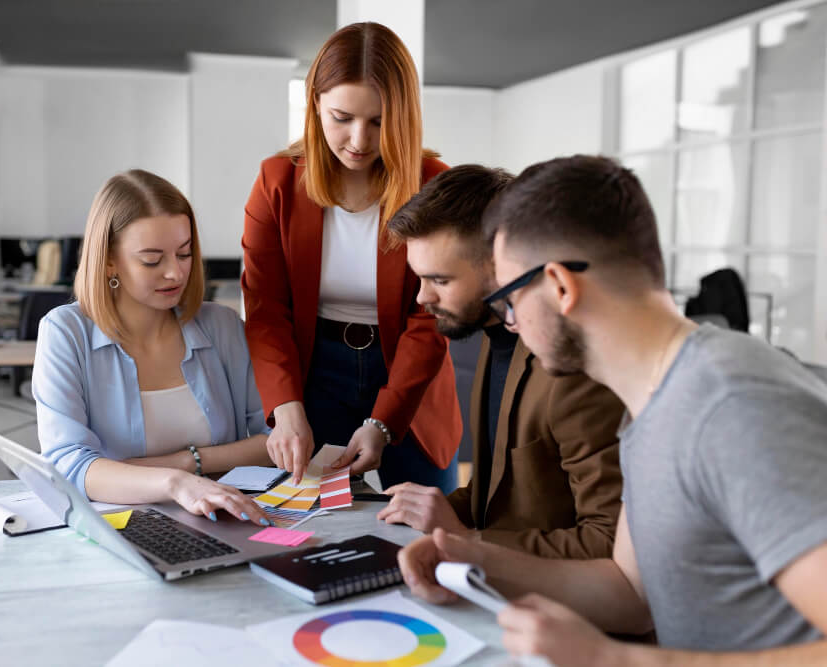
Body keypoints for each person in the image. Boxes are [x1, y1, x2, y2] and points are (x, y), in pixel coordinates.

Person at [398, 155, 827, 665]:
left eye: (510, 299)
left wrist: (612, 660)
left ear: (560, 287)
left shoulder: (733, 407)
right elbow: (629, 592)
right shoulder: (647, 404)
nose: (509, 322)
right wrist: (470, 556)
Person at [242, 22, 461, 491]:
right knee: (310, 538)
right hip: (311, 377)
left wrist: (384, 421)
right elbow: (265, 309)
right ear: (314, 104)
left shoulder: (434, 183)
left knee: (425, 534)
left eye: (379, 121)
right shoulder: (276, 182)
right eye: (342, 117)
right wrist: (285, 407)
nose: (359, 140)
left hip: (410, 385)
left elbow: (430, 317)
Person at [378, 164, 623, 558]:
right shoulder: (494, 337)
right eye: (418, 279)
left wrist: (467, 540)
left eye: (440, 281)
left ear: (500, 266)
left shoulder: (571, 371)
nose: (422, 298)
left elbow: (609, 543)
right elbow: (497, 492)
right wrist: (425, 510)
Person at [32, 169, 272, 526]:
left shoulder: (222, 327)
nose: (175, 273)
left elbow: (274, 442)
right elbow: (69, 464)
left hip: (222, 519)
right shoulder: (65, 332)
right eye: (152, 259)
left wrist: (188, 462)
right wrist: (175, 483)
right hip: (119, 525)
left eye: (184, 253)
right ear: (109, 260)